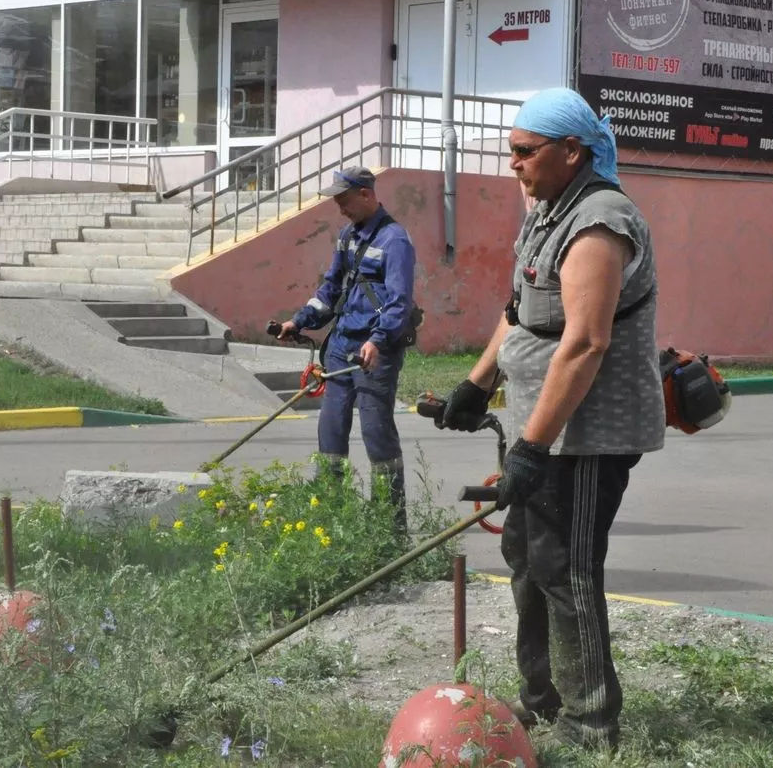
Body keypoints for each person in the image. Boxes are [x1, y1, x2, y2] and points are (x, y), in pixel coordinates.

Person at [439, 88, 665, 751]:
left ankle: (590, 724)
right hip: (543, 426)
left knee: (565, 568)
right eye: (510, 150)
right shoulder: (546, 212)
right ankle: (541, 703)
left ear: (572, 152)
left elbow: (587, 341)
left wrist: (533, 447)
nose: (512, 163)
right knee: (527, 558)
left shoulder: (600, 223)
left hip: (587, 434)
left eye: (523, 151)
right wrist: (477, 384)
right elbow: (520, 311)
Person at [277, 165, 417, 536]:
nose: (340, 208)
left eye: (344, 200)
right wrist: (300, 321)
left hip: (373, 353)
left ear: (366, 194)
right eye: (337, 201)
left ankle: (389, 527)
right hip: (340, 347)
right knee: (331, 433)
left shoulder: (395, 241)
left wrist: (378, 340)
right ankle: (329, 517)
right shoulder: (347, 237)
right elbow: (330, 290)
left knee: (377, 434)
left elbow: (400, 303)